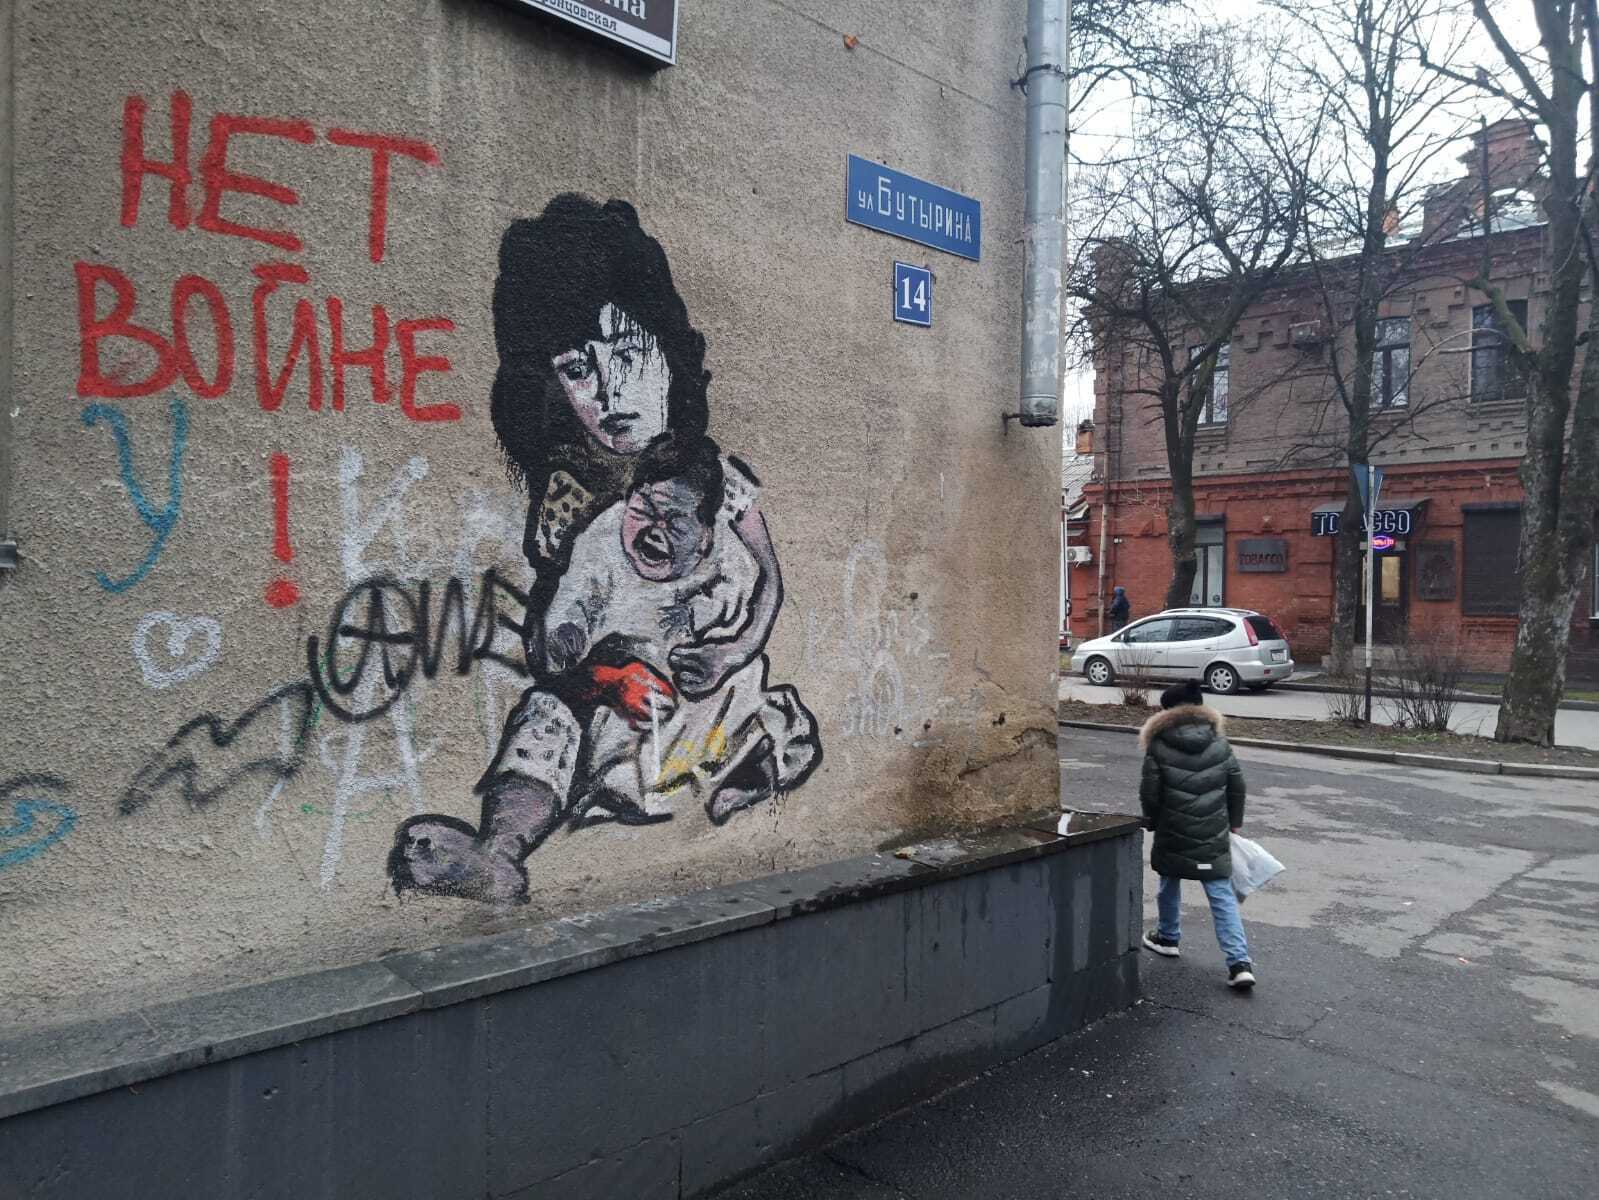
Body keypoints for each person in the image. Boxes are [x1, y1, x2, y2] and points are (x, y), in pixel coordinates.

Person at [1138, 679, 1256, 989]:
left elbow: (1150, 791)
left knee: (1169, 881)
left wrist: (1152, 820)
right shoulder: (1219, 742)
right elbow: (1237, 786)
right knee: (1221, 893)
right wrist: (1234, 822)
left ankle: (1167, 937)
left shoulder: (1158, 744)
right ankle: (1239, 963)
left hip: (1173, 829)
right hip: (1212, 831)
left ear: (1167, 712)